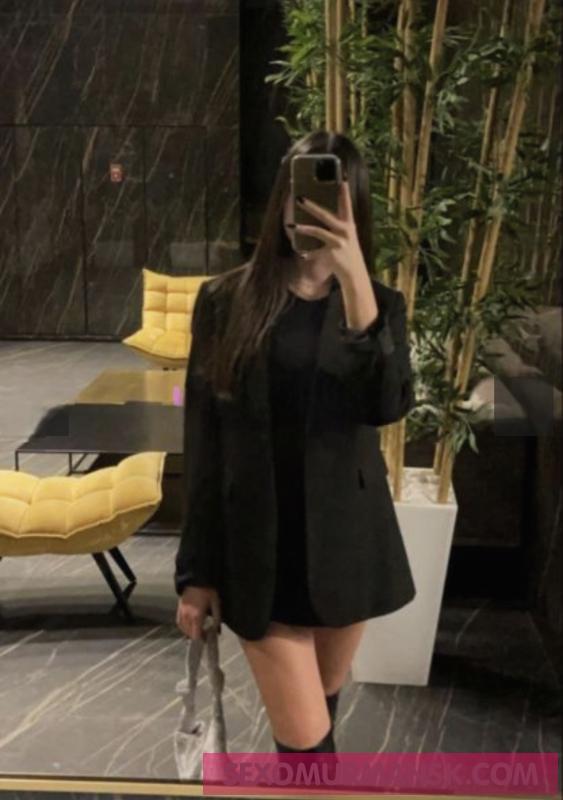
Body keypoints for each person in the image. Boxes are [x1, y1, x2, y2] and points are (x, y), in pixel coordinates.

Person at [174, 130, 416, 754]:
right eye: (296, 193)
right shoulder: (225, 301)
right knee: (306, 741)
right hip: (258, 550)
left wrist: (355, 280)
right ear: (281, 200)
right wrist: (196, 573)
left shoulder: (379, 306)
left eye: (327, 199)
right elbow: (203, 440)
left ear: (353, 210)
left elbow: (386, 406)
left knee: (320, 718)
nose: (305, 210)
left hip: (346, 546)